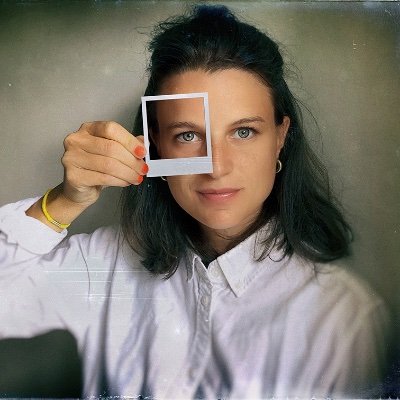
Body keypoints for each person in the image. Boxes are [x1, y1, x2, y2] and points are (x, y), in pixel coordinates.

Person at [0, 4, 389, 398]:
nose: (216, 167)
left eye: (243, 132)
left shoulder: (344, 319)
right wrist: (63, 202)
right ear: (154, 145)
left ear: (280, 137)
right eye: (187, 136)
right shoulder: (104, 268)